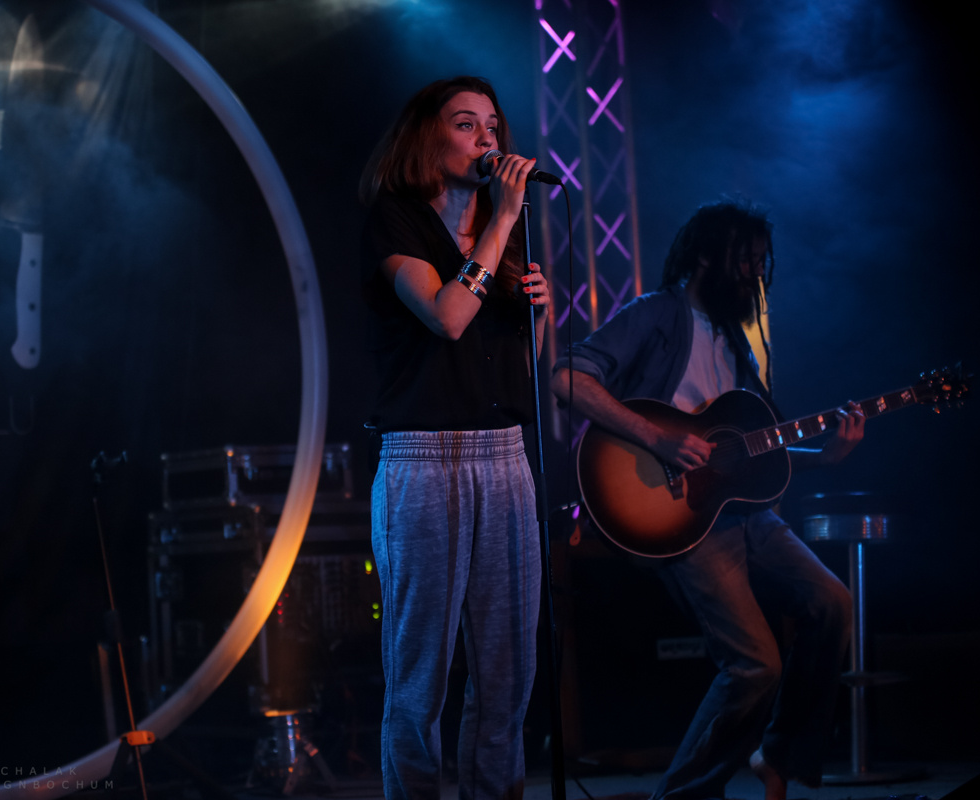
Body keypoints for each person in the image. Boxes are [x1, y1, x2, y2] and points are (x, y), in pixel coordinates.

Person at [550, 200, 861, 800]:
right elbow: (567, 376)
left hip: (744, 511)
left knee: (832, 602)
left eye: (760, 262)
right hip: (681, 513)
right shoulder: (656, 313)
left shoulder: (738, 341)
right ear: (705, 258)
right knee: (756, 664)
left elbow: (746, 452)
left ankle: (779, 755)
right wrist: (657, 437)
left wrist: (825, 457)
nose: (755, 273)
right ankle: (682, 796)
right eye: (745, 260)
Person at [358, 76, 550, 800]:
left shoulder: (504, 233)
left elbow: (515, 369)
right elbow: (446, 316)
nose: (487, 140)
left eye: (493, 126)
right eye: (467, 125)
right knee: (422, 677)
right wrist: (503, 223)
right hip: (424, 459)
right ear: (427, 136)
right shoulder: (396, 222)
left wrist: (539, 317)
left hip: (504, 457)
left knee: (508, 673)